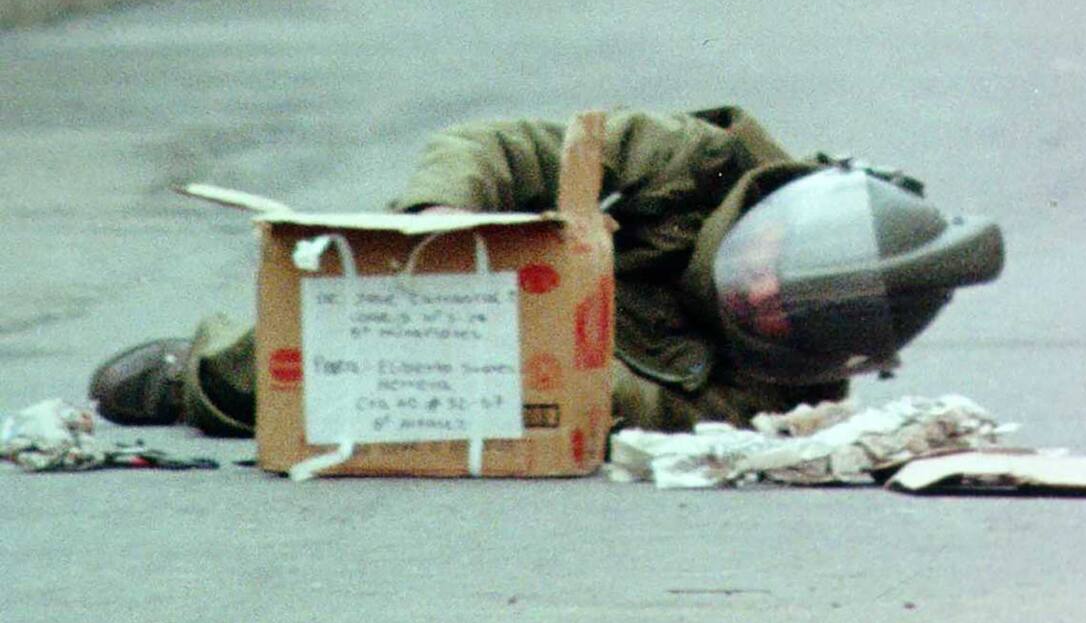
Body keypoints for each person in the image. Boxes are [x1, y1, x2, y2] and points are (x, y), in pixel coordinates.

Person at [89, 105, 1003, 437]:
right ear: (778, 210)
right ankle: (205, 370)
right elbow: (503, 144)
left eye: (779, 313)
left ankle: (221, 390)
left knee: (390, 376)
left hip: (554, 352)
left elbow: (581, 398)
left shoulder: (752, 399)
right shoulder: (702, 161)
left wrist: (475, 344)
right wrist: (445, 218)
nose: (754, 294)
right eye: (769, 267)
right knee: (331, 323)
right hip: (518, 262)